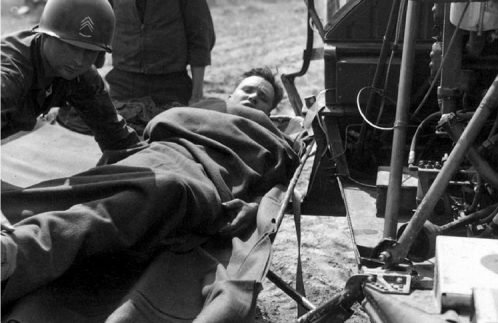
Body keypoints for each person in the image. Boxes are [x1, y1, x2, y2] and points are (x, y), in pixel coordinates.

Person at [0, 70, 300, 320]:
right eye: (246, 90)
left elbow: (272, 183)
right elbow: (159, 127)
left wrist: (256, 205)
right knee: (74, 192)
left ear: (270, 112)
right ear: (230, 95)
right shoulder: (201, 109)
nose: (251, 97)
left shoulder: (268, 135)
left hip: (192, 180)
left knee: (128, 203)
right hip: (154, 158)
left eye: (261, 98)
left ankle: (18, 252)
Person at [1, 0, 140, 151]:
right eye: (71, 47)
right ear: (45, 36)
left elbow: (116, 137)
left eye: (89, 51)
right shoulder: (10, 74)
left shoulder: (81, 75)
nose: (79, 60)